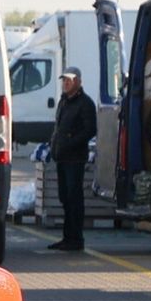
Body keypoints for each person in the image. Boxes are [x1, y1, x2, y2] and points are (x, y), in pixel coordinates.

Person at [49, 66, 96, 251]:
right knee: (65, 198)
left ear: (78, 82)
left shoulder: (85, 103)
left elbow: (90, 130)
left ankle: (76, 239)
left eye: (69, 80)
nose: (65, 83)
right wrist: (54, 145)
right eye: (64, 80)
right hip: (62, 157)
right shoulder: (63, 102)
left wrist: (71, 142)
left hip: (75, 159)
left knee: (74, 198)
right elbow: (58, 127)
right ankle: (67, 237)